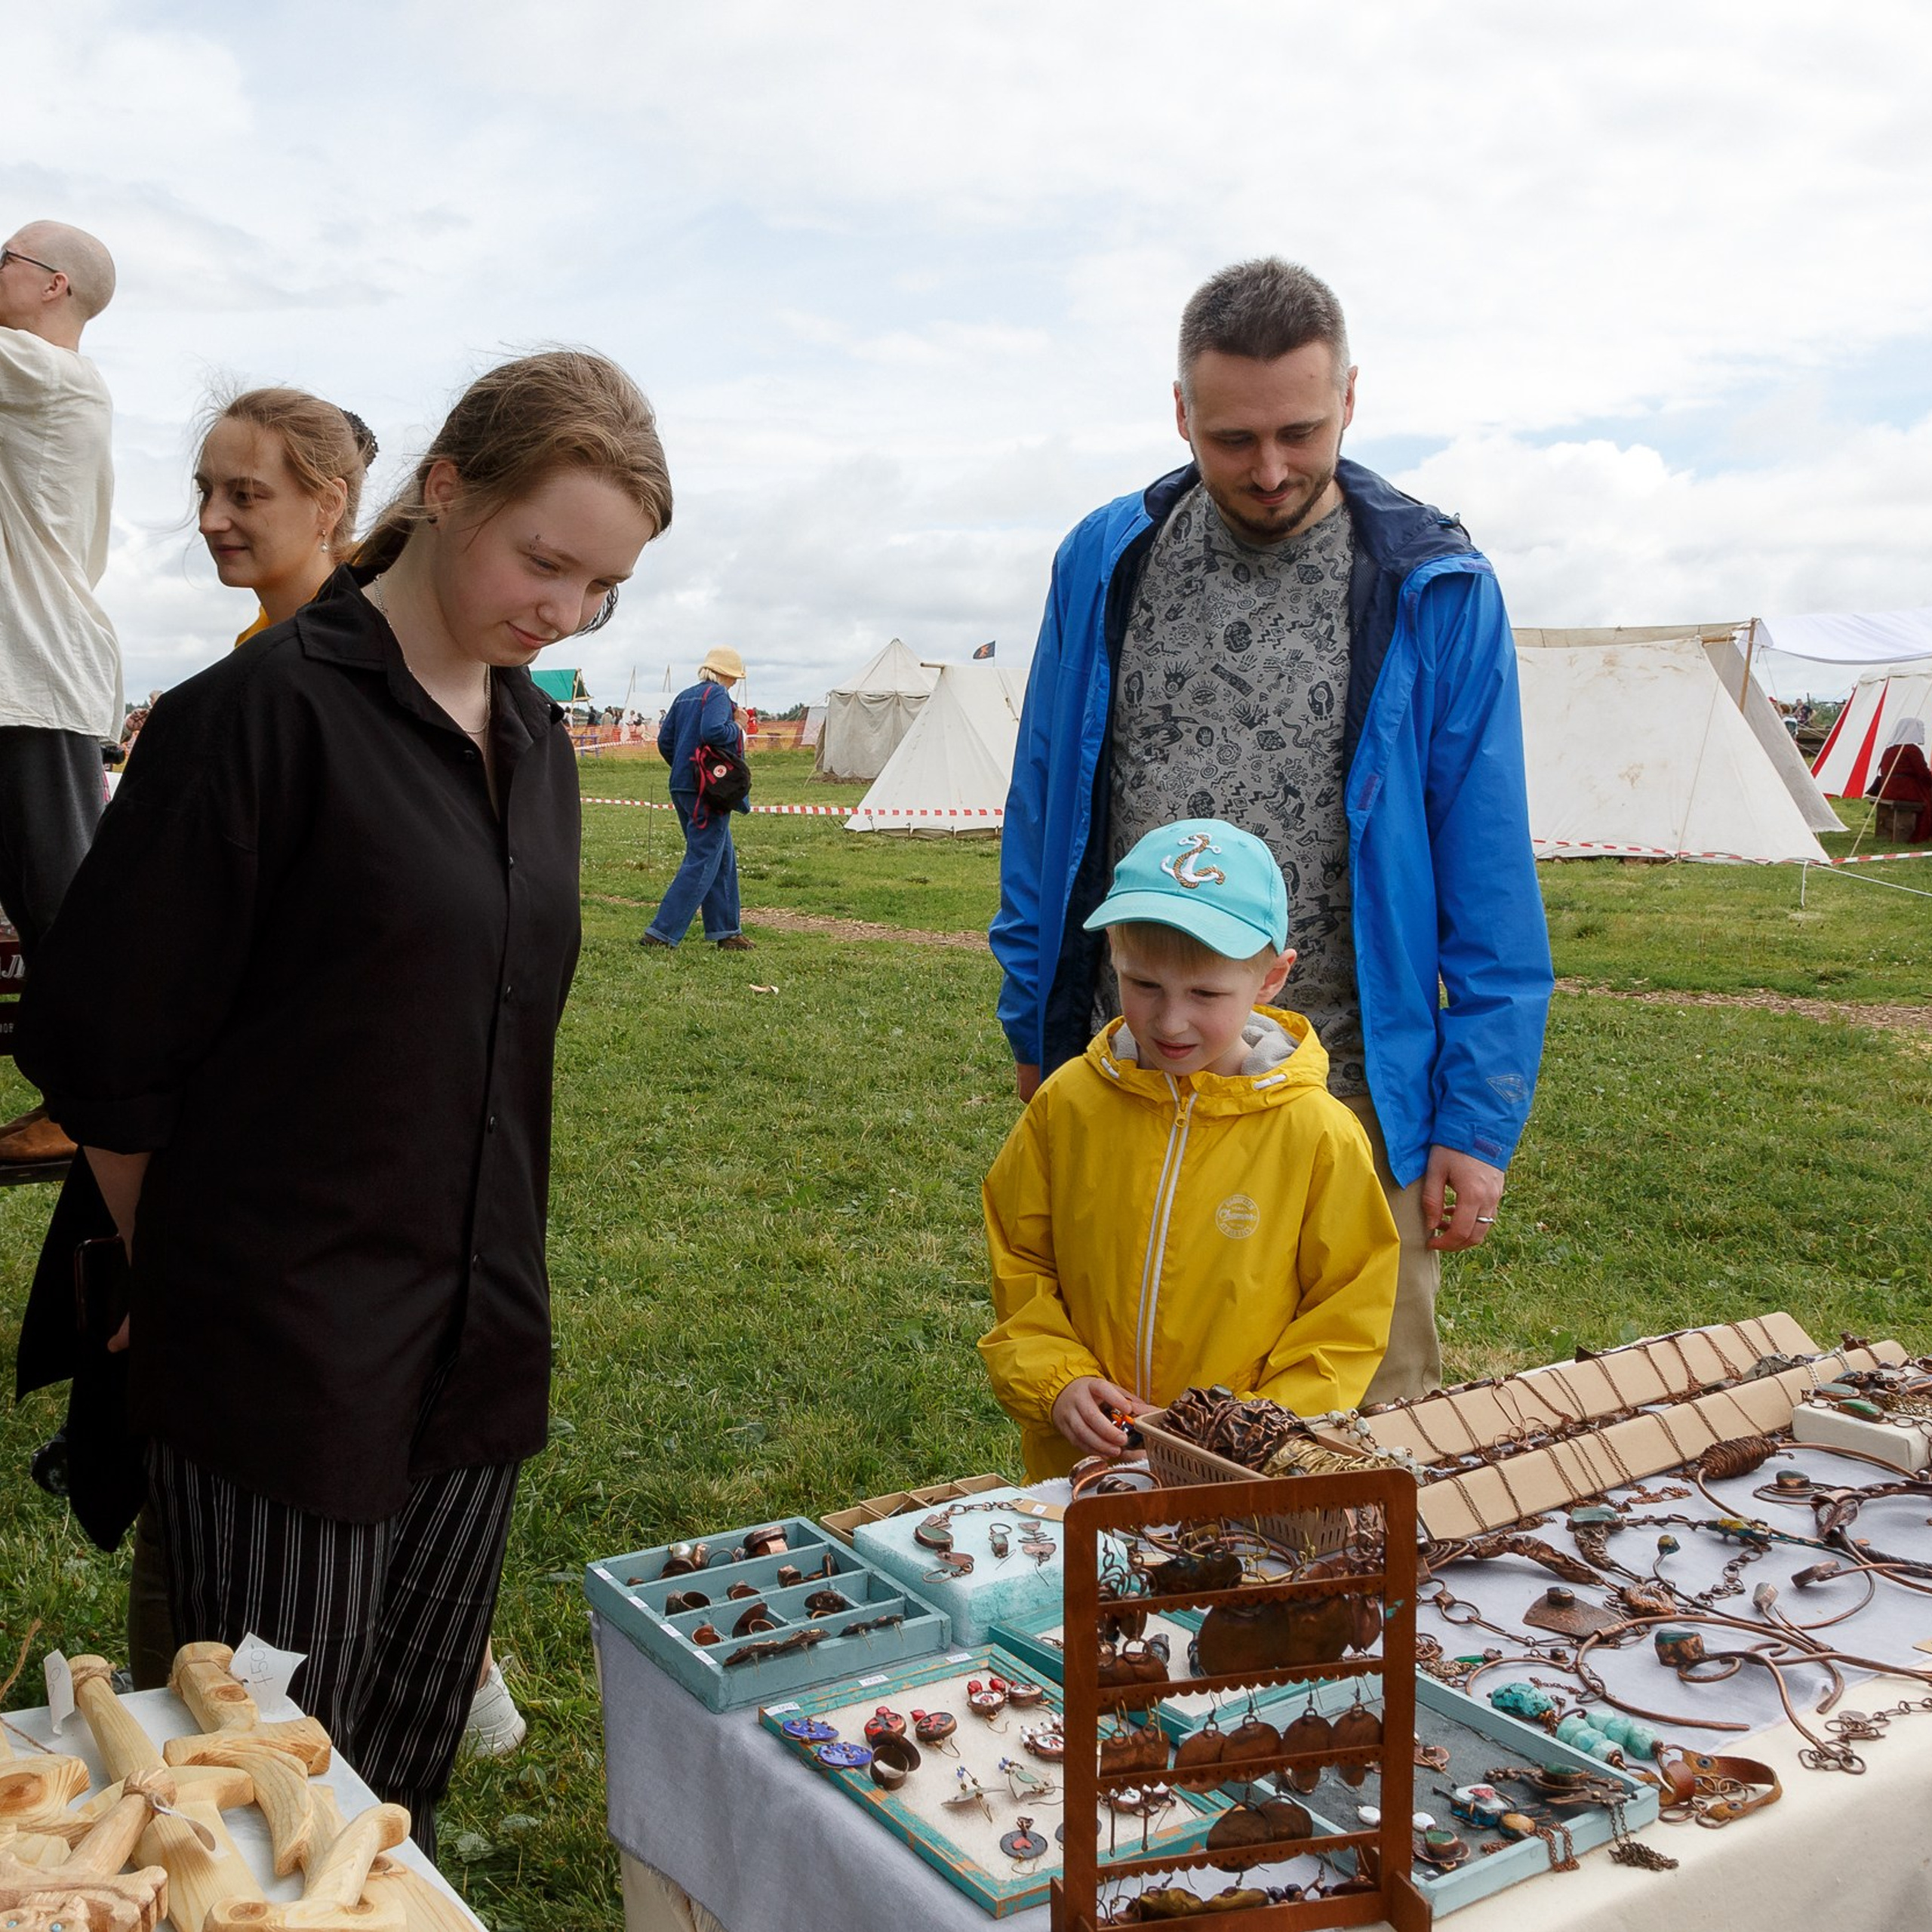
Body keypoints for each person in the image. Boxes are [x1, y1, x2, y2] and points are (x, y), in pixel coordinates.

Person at [17, 348, 673, 1856]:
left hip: (476, 1336)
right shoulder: (254, 719)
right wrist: (168, 1264)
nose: (563, 611)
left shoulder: (537, 741)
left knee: (401, 1775)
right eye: (542, 559)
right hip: (284, 1352)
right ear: (442, 492)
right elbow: (107, 1039)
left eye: (602, 588)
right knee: (259, 1782)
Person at [992, 257, 1552, 1412]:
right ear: (1181, 413)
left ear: (1351, 398)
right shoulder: (1109, 559)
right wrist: (1034, 1020)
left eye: (1301, 430)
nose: (1271, 469)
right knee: (1128, 1425)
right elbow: (1046, 807)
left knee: (1352, 1458)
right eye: (1232, 438)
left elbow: (1486, 868)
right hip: (1145, 1074)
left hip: (1357, 1103)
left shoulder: (1434, 583)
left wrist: (1478, 1119)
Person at [980, 819, 1398, 1478]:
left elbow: (1346, 1318)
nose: (1169, 1021)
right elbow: (1021, 1260)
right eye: (1144, 985)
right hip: (1083, 1465)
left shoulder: (1318, 1134)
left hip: (1236, 1478)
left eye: (1205, 993)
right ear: (1113, 955)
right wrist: (1057, 1378)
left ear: (1271, 978)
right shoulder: (1069, 1105)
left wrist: (1241, 1434)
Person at [0, 220, 119, 1167]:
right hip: (23, 676)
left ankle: (91, 1105)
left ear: (52, 285)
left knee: (65, 912)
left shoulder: (49, 374)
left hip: (29, 678)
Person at [194, 386, 381, 643]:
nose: (208, 523)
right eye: (205, 492)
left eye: (245, 496)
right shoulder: (258, 643)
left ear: (329, 503)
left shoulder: (376, 643)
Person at [640, 645, 753, 950]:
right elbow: (715, 731)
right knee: (703, 858)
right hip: (708, 791)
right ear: (728, 675)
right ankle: (661, 933)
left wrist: (684, 769)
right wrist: (739, 725)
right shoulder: (717, 695)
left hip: (684, 786)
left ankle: (726, 931)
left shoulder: (684, 696)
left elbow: (666, 741)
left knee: (722, 856)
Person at [1868, 716, 1931, 842]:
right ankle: (1921, 835)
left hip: (1888, 789)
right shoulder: (1911, 750)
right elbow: (1923, 774)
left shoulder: (1891, 749)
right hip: (1904, 790)